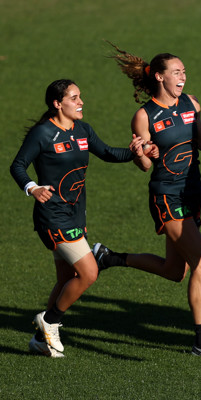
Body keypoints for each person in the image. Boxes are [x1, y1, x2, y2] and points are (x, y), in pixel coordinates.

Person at [93, 43, 201, 357]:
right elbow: (146, 164)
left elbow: (200, 141)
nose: (183, 76)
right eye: (177, 72)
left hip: (192, 192)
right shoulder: (144, 116)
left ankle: (110, 258)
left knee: (174, 271)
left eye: (184, 71)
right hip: (167, 195)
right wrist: (139, 155)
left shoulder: (191, 104)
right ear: (160, 77)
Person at [10, 79, 148, 357]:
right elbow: (18, 165)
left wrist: (134, 152)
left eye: (80, 96)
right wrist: (32, 187)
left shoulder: (82, 129)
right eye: (74, 98)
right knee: (88, 273)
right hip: (52, 216)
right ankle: (49, 321)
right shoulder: (43, 133)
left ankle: (41, 339)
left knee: (66, 279)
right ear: (57, 104)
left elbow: (108, 153)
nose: (81, 101)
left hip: (75, 214)